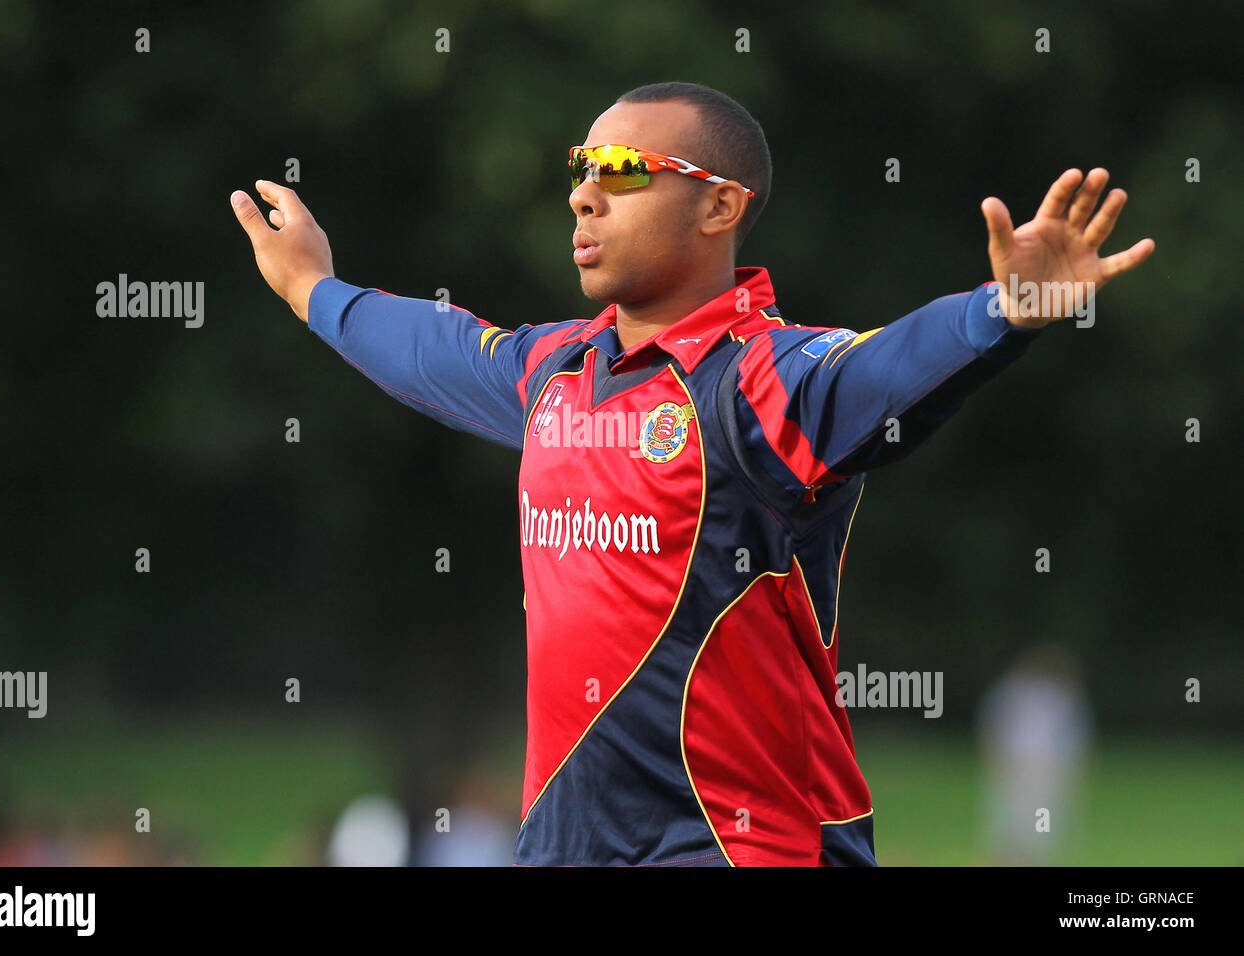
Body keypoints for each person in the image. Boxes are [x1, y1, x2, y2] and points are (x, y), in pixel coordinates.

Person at [230, 81, 1153, 866]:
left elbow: (892, 365)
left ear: (720, 206)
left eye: (623, 172)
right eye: (581, 169)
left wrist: (1007, 311)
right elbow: (431, 346)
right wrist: (314, 289)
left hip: (741, 845)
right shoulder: (554, 370)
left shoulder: (766, 381)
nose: (585, 196)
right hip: (565, 841)